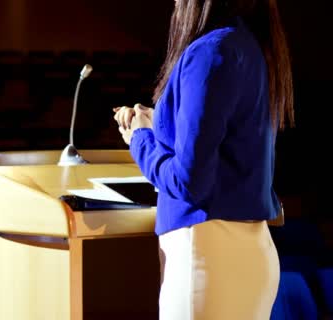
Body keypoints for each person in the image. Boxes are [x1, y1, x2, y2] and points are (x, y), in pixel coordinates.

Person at [112, 0, 293, 318]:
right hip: (249, 253)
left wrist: (140, 139)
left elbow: (188, 181)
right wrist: (161, 123)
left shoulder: (210, 52)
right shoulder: (246, 44)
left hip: (206, 254)